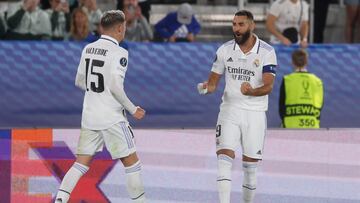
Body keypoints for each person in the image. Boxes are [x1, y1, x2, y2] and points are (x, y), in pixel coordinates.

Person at [55, 10, 146, 203]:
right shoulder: (120, 52)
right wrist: (132, 109)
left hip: (90, 116)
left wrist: (96, 92)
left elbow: (79, 81)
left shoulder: (88, 48)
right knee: (132, 163)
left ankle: (60, 200)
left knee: (80, 164)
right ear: (120, 28)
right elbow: (115, 85)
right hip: (112, 118)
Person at [197, 10, 277, 203]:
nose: (236, 29)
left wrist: (251, 91)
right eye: (234, 24)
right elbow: (214, 83)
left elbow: (269, 86)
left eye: (241, 25)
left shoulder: (267, 52)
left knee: (250, 168)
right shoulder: (224, 50)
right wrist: (206, 88)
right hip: (229, 110)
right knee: (224, 159)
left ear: (251, 26)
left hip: (255, 113)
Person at [279, 49, 323, 128]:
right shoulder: (317, 81)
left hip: (290, 126)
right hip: (312, 125)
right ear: (307, 62)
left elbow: (281, 106)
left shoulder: (287, 79)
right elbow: (320, 104)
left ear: (292, 62)